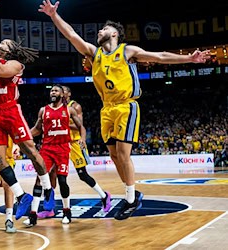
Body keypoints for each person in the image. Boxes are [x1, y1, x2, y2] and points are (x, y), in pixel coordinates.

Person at [39, 0, 212, 220]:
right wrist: (54, 16)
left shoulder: (127, 51)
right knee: (114, 156)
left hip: (125, 105)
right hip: (106, 109)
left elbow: (159, 57)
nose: (100, 30)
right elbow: (71, 35)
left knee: (122, 153)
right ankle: (133, 194)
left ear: (114, 34)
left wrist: (189, 58)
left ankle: (130, 199)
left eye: (104, 28)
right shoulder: (94, 53)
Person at [0, 0, 55, 221]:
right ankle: (22, 197)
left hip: (10, 111)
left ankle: (48, 191)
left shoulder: (16, 66)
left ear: (10, 51)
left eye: (3, 43)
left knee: (30, 150)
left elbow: (0, 69)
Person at [24, 84, 83, 227]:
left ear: (62, 94)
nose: (53, 92)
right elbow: (37, 129)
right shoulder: (43, 110)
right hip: (47, 149)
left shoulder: (69, 110)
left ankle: (66, 212)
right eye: (51, 90)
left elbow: (81, 126)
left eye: (56, 90)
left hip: (62, 149)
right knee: (39, 180)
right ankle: (33, 215)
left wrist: (82, 138)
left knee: (62, 180)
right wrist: (23, 137)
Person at [61, 85, 111, 215]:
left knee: (82, 174)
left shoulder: (75, 106)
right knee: (57, 175)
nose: (62, 93)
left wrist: (62, 121)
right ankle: (51, 207)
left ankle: (104, 196)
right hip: (61, 143)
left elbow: (80, 125)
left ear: (69, 93)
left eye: (64, 90)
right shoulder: (56, 107)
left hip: (75, 144)